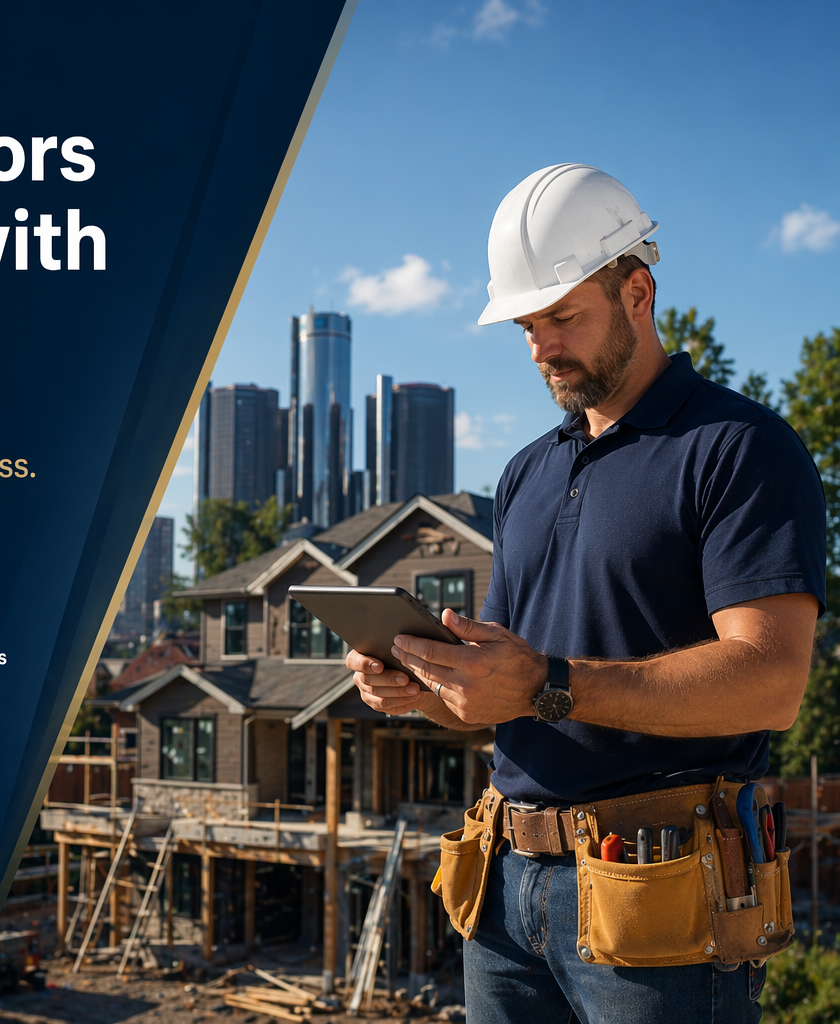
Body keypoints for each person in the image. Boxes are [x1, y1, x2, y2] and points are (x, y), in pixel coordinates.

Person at [348, 164, 825, 1023]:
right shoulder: (527, 472)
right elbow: (514, 690)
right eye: (527, 325)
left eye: (563, 317)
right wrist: (426, 692)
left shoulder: (738, 448)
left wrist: (544, 682)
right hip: (504, 890)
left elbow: (771, 680)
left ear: (637, 291)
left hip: (660, 902)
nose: (540, 347)